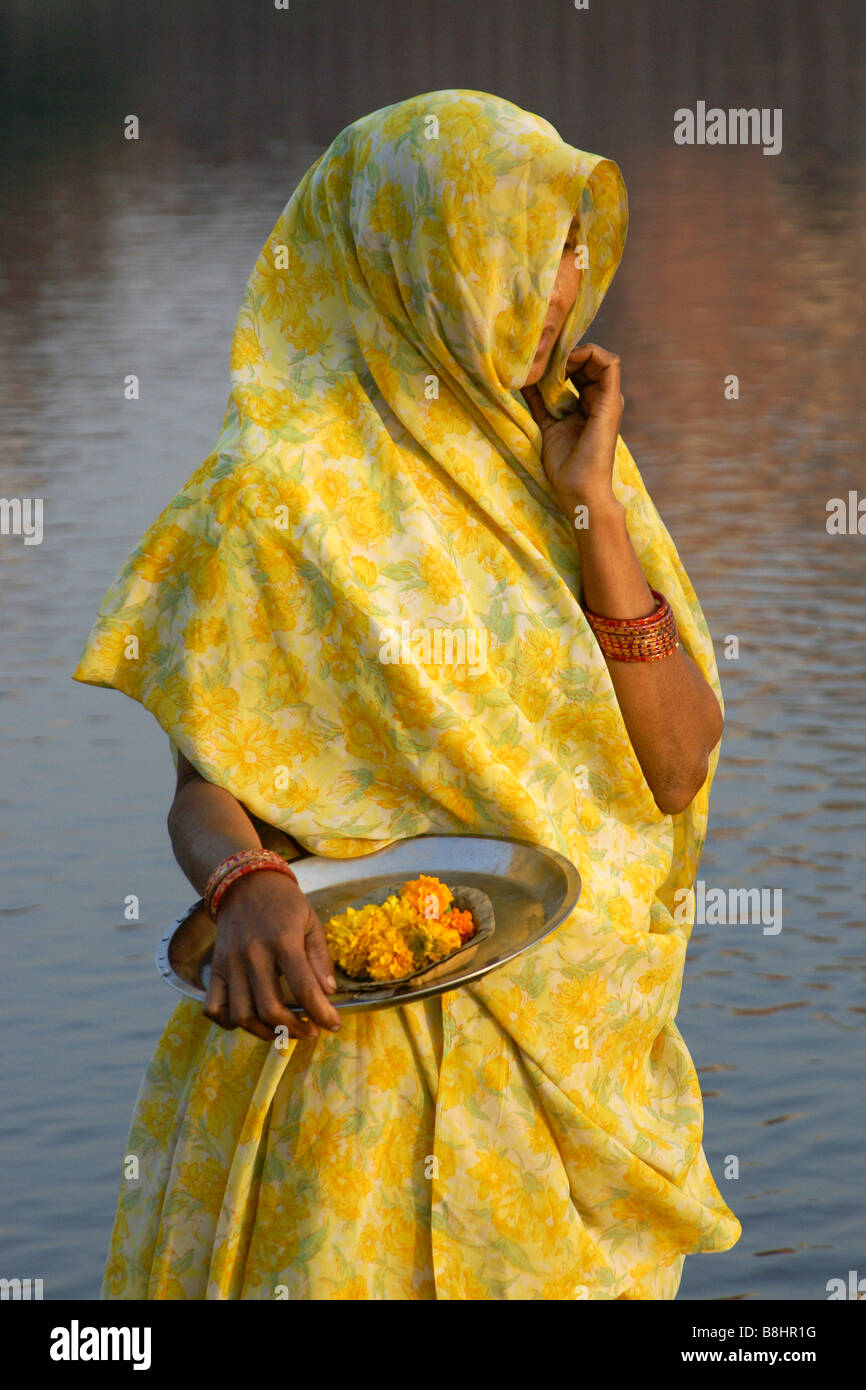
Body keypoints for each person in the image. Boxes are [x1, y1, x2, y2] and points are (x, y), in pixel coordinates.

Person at [72, 88, 741, 1300]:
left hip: (576, 1062)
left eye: (574, 251)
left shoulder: (571, 460)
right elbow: (205, 794)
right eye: (531, 247)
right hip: (357, 1067)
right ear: (420, 252)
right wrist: (245, 883)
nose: (562, 285)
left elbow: (677, 766)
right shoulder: (273, 493)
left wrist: (588, 506)